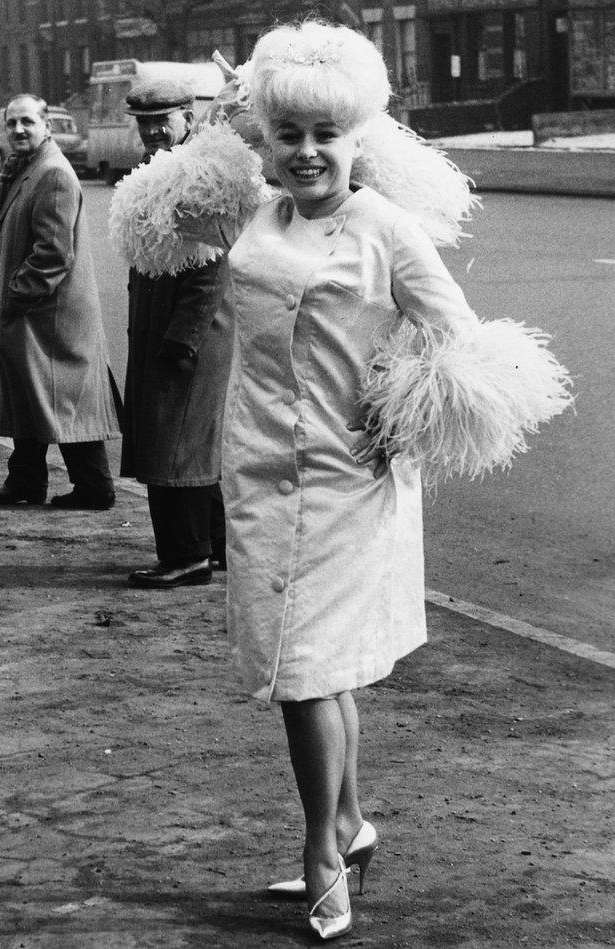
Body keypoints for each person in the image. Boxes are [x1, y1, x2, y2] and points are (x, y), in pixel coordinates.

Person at [110, 20, 571, 942]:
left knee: (303, 674)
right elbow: (156, 217)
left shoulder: (387, 229)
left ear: (362, 138)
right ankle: (353, 821)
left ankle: (324, 851)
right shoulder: (251, 211)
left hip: (347, 481)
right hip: (255, 471)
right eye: (289, 135)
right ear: (267, 142)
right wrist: (236, 117)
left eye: (327, 134)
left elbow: (462, 340)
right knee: (316, 671)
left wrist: (399, 406)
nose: (308, 153)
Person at [119, 78, 231, 589]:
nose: (153, 129)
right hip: (168, 327)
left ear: (189, 115)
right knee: (189, 439)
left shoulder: (200, 175)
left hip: (191, 334)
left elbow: (213, 267)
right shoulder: (161, 169)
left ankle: (187, 556)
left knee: (177, 442)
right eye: (144, 121)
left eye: (163, 119)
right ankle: (217, 545)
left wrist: (183, 338)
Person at [0, 93, 120, 510]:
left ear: (46, 125)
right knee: (35, 395)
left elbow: (53, 254)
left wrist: (14, 298)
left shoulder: (53, 174)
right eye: (11, 124)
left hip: (50, 313)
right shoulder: (28, 168)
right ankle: (25, 480)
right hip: (40, 312)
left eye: (27, 121)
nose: (18, 130)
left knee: (65, 402)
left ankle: (94, 487)